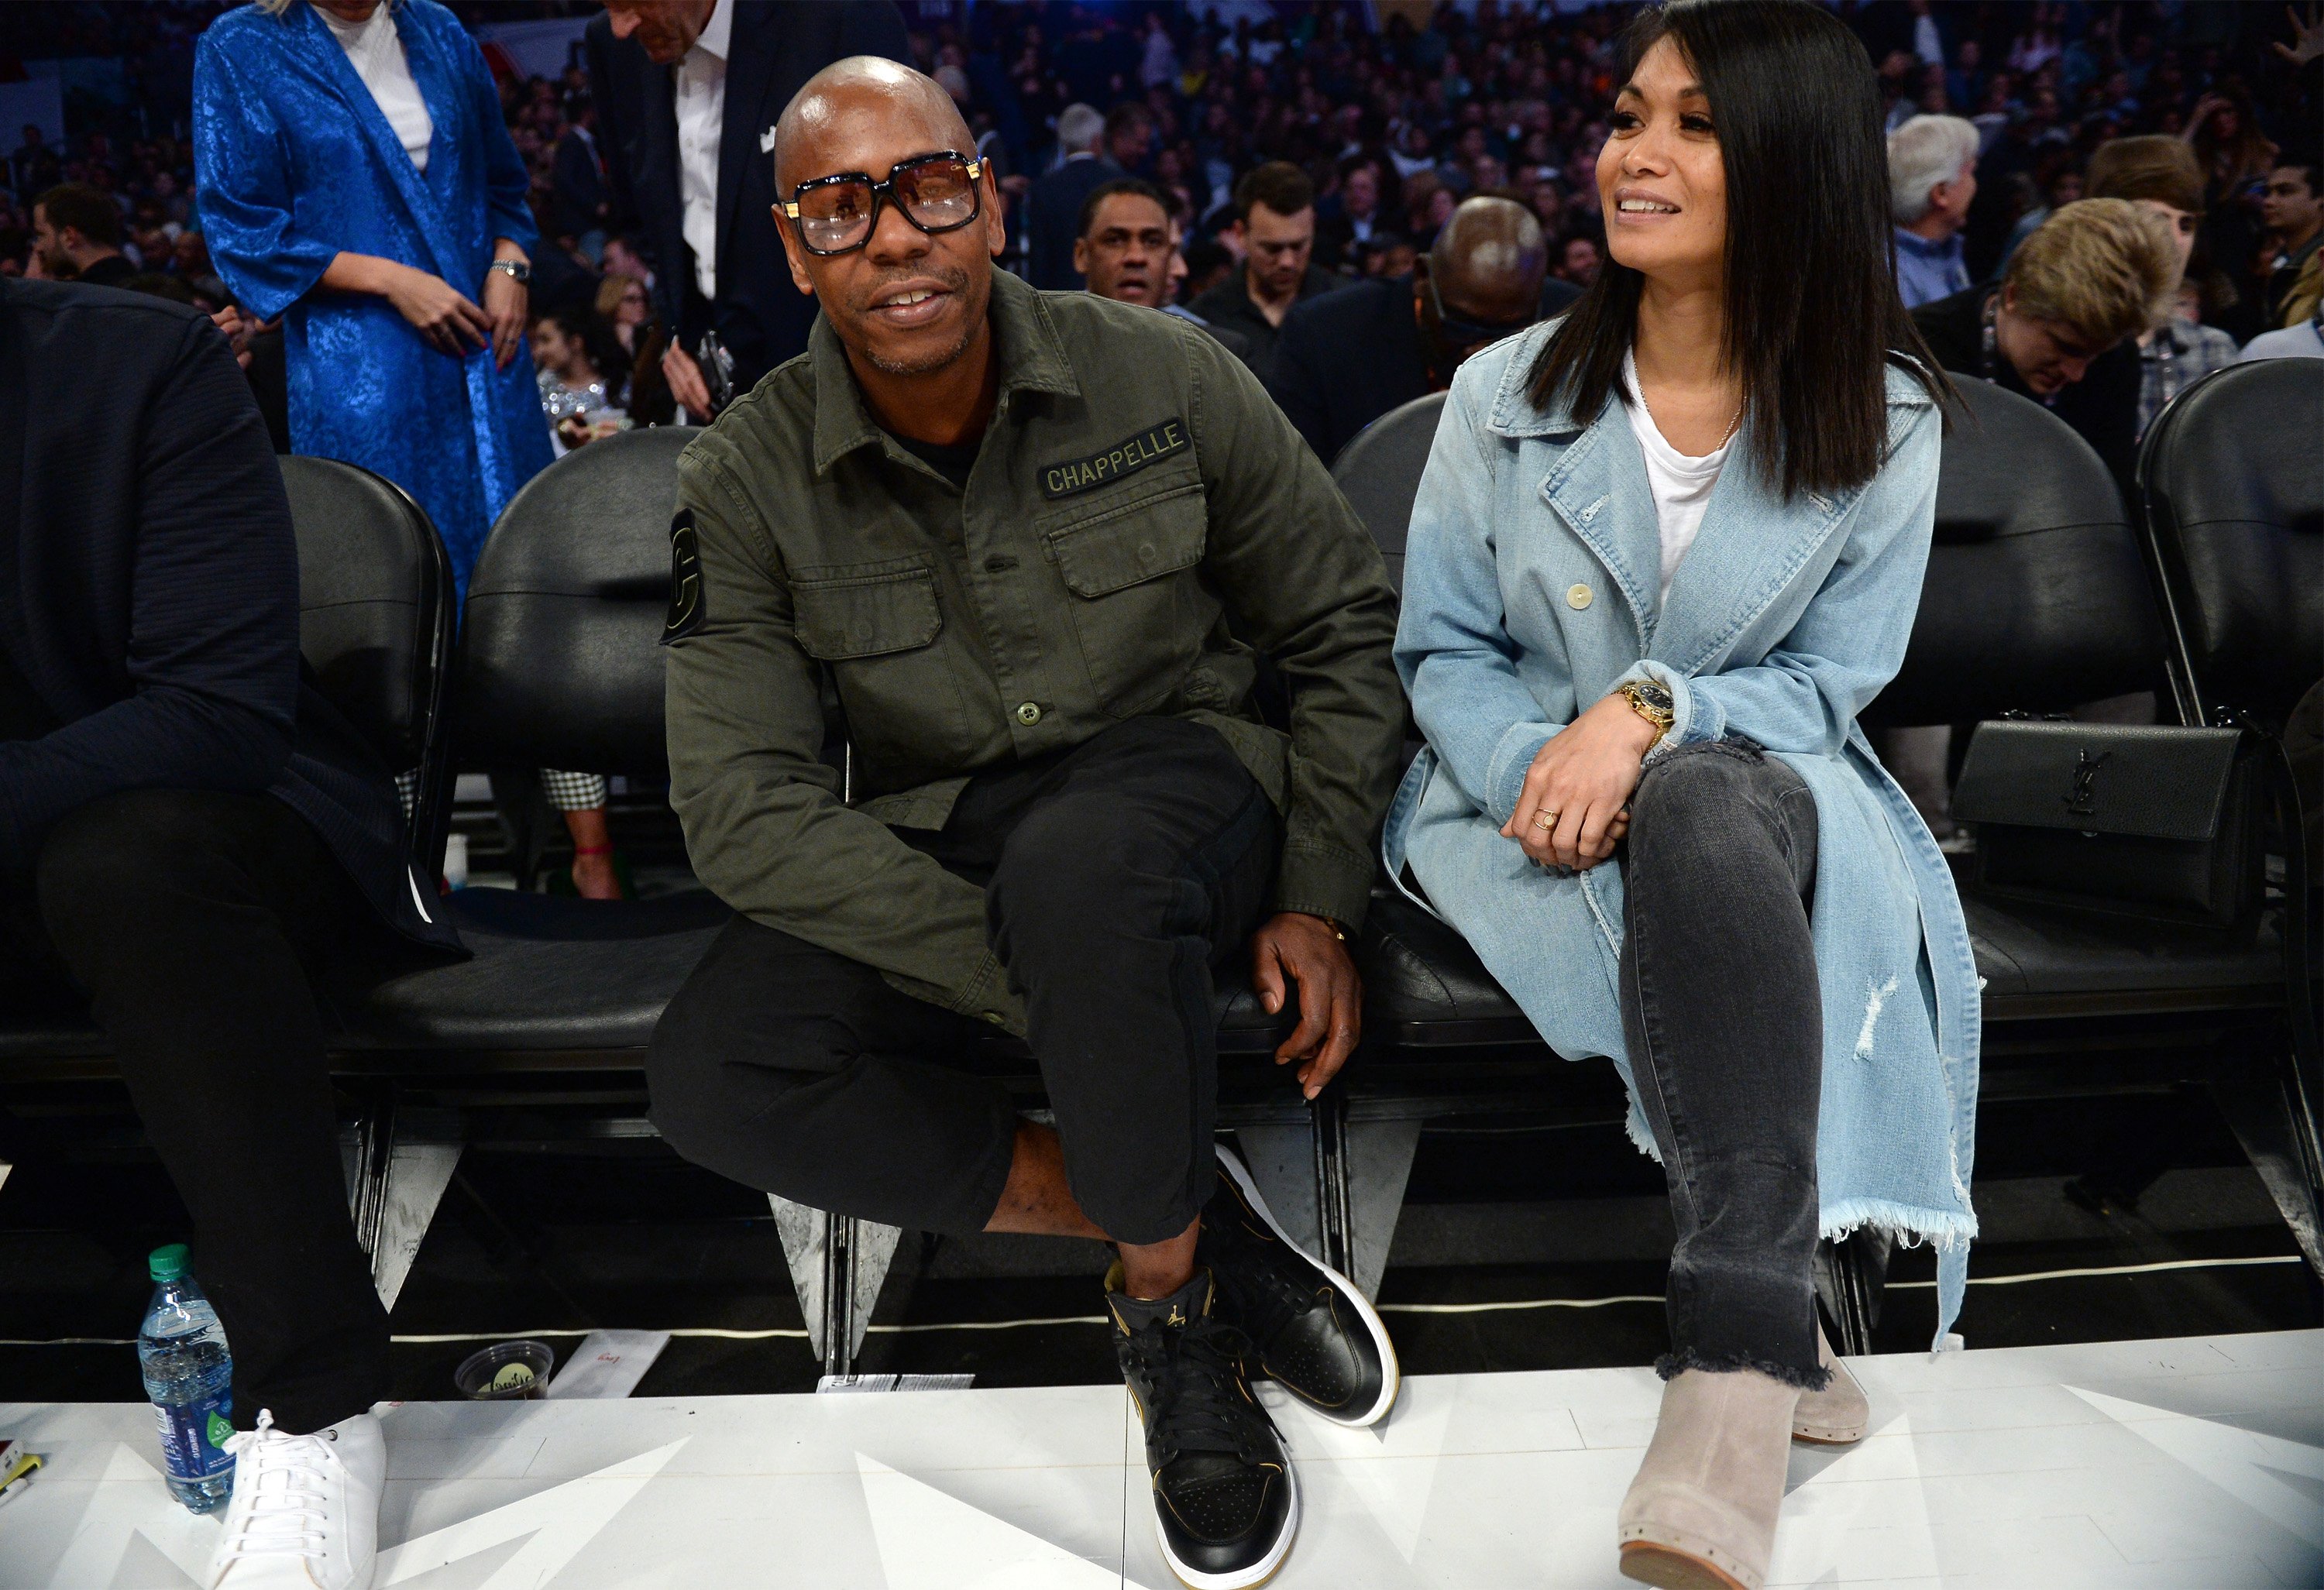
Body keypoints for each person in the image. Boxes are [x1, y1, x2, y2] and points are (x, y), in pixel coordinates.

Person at [646, 58, 1405, 1589]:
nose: (896, 237)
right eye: (840, 208)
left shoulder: (1168, 374)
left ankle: (1170, 1321)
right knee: (713, 1069)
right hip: (951, 827)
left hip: (1180, 780)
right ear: (793, 250)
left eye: (928, 188)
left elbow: (1341, 627)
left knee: (1090, 871)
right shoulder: (743, 472)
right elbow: (739, 806)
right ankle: (1178, 1203)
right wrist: (1062, 997)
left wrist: (1322, 892)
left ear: (985, 200)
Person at [1387, 7, 1972, 1588]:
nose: (1635, 155)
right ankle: (1775, 1339)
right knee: (1684, 832)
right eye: (1630, 115)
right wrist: (1539, 760)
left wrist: (1646, 714)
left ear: (1787, 159)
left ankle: (1723, 1362)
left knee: (1708, 800)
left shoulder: (1891, 415)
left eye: (1695, 125)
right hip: (1515, 806)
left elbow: (1834, 682)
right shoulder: (1499, 393)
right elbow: (1439, 649)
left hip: (1768, 792)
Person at [0, 276, 466, 1590]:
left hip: (234, 831)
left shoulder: (140, 363)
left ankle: (316, 1405)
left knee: (124, 863)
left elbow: (216, 713)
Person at [194, 0, 555, 605]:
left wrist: (510, 266)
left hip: (486, 353)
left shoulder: (438, 27)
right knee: (397, 593)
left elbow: (505, 184)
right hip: (366, 375)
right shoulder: (239, 47)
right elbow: (243, 232)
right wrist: (394, 279)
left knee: (528, 581)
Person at [586, 0, 911, 418]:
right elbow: (640, 216)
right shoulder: (612, 47)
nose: (620, 26)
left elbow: (901, 194)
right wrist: (674, 336)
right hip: (711, 397)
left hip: (839, 379)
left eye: (634, 2)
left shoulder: (839, 17)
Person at [1913, 198, 2174, 496]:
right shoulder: (1923, 348)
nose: (2076, 374)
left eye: (2095, 354)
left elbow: (2110, 498)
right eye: (2065, 346)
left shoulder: (2117, 360)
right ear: (2013, 296)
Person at [1269, 194, 1557, 463]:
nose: (1482, 352)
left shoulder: (1575, 322)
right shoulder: (1324, 336)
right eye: (1463, 326)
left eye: (1509, 334)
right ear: (1421, 277)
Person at [2084, 136, 2238, 438]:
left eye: (2186, 225)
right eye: (2157, 218)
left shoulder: (2212, 351)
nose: (2175, 240)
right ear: (2101, 222)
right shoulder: (2064, 350)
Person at [1074, 175, 1262, 370]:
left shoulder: (1218, 355)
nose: (1136, 257)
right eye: (1115, 240)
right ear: (1082, 255)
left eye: (1153, 242)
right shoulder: (1046, 345)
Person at [1188, 160, 1348, 374]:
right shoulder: (1203, 319)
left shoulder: (1345, 307)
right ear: (1240, 234)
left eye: (1299, 246)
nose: (1287, 262)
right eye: (1272, 248)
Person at [1884, 113, 1978, 307]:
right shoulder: (1894, 277)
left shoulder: (1946, 249)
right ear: (1941, 193)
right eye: (1970, 172)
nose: (1975, 184)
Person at [1024, 101, 1121, 290]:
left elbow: (1040, 259)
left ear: (1064, 144)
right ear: (1096, 141)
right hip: (1111, 298)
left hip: (1059, 302)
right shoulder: (1118, 183)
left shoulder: (1043, 190)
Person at [29, 183, 135, 287]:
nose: (37, 247)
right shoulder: (142, 285)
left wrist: (34, 289)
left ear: (69, 237)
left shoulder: (77, 300)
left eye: (41, 235)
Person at [2260, 160, 2322, 329]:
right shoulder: (2276, 262)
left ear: (2320, 200)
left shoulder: (2320, 263)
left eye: (2284, 192)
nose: (2268, 202)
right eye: (2268, 192)